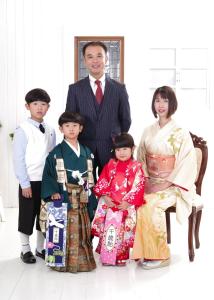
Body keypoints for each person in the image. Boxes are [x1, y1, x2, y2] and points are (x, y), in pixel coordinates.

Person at [132, 86, 197, 269]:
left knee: (151, 203)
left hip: (173, 184)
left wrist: (164, 184)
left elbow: (187, 163)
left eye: (165, 101)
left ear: (172, 104)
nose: (161, 105)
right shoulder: (147, 130)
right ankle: (144, 251)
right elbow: (141, 157)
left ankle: (160, 255)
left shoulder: (181, 132)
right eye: (157, 100)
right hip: (151, 181)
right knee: (140, 200)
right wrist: (145, 180)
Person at [66, 41, 131, 179]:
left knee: (112, 189)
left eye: (99, 56)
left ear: (106, 59)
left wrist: (116, 140)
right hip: (83, 148)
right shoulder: (75, 89)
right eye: (90, 56)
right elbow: (69, 120)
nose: (95, 60)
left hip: (111, 148)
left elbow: (125, 120)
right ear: (84, 60)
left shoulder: (119, 89)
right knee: (84, 190)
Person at [41, 111, 96, 273]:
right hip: (63, 195)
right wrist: (52, 192)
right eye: (67, 126)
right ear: (61, 129)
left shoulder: (87, 152)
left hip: (82, 195)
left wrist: (92, 194)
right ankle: (60, 262)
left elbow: (92, 176)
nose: (71, 129)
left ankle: (83, 260)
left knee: (82, 228)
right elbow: (49, 174)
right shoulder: (56, 153)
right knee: (61, 227)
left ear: (81, 128)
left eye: (75, 126)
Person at [13, 88, 56, 264]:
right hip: (29, 181)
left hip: (45, 181)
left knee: (43, 215)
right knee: (26, 215)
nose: (39, 107)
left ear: (48, 107)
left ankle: (40, 248)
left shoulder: (51, 129)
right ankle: (25, 249)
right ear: (27, 106)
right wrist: (24, 183)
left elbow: (52, 155)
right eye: (35, 104)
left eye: (43, 104)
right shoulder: (22, 130)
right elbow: (18, 158)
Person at [91, 133, 145, 266]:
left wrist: (128, 202)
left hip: (125, 204)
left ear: (133, 149)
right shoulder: (110, 165)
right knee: (108, 228)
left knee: (122, 229)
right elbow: (102, 180)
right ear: (114, 151)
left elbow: (139, 185)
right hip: (110, 202)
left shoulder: (136, 167)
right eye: (118, 150)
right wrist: (105, 196)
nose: (121, 152)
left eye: (125, 149)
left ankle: (121, 256)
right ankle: (107, 255)